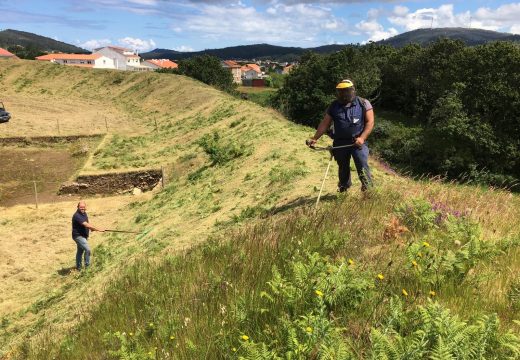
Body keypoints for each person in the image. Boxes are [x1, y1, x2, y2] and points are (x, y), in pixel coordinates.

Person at [307, 79, 374, 192]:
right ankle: (344, 186)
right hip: (340, 142)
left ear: (352, 90)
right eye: (341, 91)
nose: (343, 94)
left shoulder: (363, 103)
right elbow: (325, 123)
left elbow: (370, 122)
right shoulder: (334, 106)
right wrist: (315, 138)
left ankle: (367, 189)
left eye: (346, 91)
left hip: (357, 142)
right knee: (342, 166)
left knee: (361, 162)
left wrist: (362, 138)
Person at [72, 201, 104, 270]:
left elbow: (87, 223)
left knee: (80, 252)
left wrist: (92, 229)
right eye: (81, 207)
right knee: (87, 249)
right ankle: (87, 267)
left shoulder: (84, 214)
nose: (82, 208)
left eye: (83, 207)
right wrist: (98, 229)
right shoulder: (77, 215)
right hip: (78, 236)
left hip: (84, 235)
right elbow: (85, 224)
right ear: (77, 207)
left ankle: (79, 267)